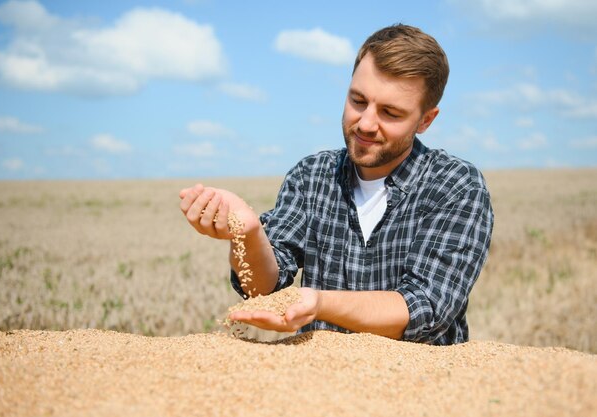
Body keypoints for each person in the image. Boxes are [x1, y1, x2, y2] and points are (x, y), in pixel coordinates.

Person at [179, 24, 493, 345]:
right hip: (319, 387)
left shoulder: (455, 185)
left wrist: (320, 303)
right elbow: (262, 288)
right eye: (358, 100)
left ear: (426, 120)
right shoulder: (312, 176)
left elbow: (424, 308)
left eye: (390, 113)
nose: (367, 124)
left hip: (419, 384)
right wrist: (248, 234)